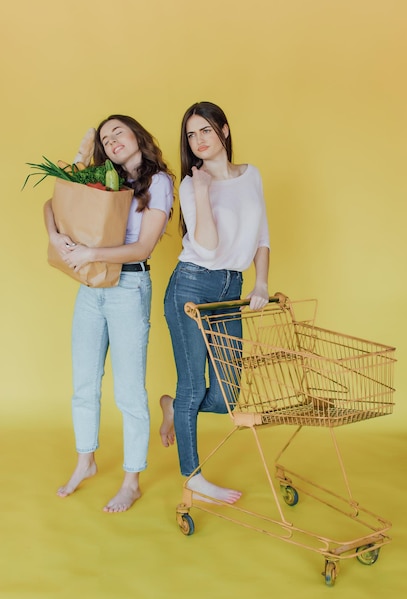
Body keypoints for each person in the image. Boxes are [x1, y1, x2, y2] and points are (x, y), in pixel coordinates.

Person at [44, 114, 174, 512]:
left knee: (130, 392)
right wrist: (55, 236)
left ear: (137, 134)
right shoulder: (100, 178)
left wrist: (90, 253)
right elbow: (53, 202)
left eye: (118, 130)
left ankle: (132, 480)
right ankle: (86, 460)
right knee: (84, 381)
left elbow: (143, 248)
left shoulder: (160, 183)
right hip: (92, 287)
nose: (112, 139)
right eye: (105, 137)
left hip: (129, 288)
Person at [159, 101, 272, 504]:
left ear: (223, 130)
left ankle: (173, 408)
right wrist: (203, 191)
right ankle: (193, 477)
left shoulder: (251, 174)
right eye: (191, 135)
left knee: (227, 394)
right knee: (193, 386)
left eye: (205, 130)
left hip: (231, 289)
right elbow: (205, 246)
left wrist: (260, 283)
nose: (198, 140)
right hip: (191, 285)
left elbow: (262, 236)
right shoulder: (193, 184)